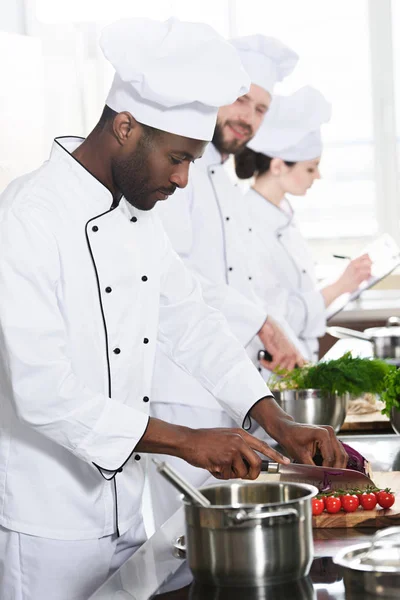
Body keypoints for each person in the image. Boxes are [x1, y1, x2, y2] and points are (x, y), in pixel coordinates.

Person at [0, 18, 312, 600]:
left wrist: (274, 417)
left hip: (127, 510)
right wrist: (186, 440)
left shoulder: (138, 219)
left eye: (193, 160)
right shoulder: (27, 215)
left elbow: (191, 322)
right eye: (177, 157)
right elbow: (42, 390)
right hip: (50, 528)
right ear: (124, 127)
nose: (184, 178)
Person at [150, 38, 347, 529]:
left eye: (260, 108)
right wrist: (260, 321)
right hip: (180, 390)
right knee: (188, 539)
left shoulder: (224, 185)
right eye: (241, 100)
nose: (249, 117)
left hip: (226, 386)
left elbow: (236, 288)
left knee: (220, 534)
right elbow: (171, 279)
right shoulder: (178, 173)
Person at [235, 85, 372, 361]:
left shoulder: (283, 214)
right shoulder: (246, 224)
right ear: (277, 166)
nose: (317, 176)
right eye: (310, 167)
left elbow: (297, 290)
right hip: (270, 368)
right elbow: (277, 317)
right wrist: (339, 286)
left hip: (301, 358)